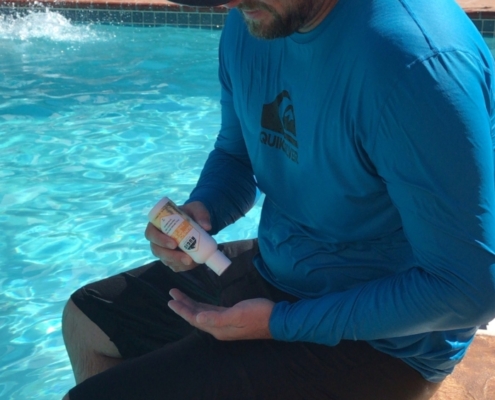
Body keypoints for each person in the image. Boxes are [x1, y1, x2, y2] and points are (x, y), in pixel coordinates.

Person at [61, 0, 495, 399]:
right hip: (282, 271)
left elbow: (467, 289)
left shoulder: (416, 63)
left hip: (388, 338)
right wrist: (203, 210)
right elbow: (236, 153)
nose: (229, 4)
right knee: (86, 319)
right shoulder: (251, 19)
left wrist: (279, 324)